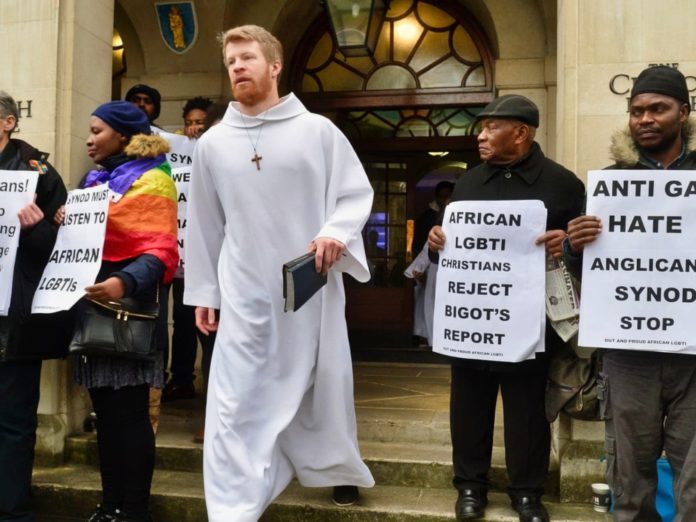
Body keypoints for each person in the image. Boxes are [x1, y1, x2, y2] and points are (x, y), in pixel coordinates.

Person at [183, 25, 375, 521]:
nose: (237, 67)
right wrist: (205, 291)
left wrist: (335, 231)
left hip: (309, 288)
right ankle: (231, 508)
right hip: (243, 290)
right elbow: (204, 223)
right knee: (232, 401)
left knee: (318, 383)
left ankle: (332, 468)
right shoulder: (213, 143)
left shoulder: (318, 132)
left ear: (274, 66)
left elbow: (355, 194)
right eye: (230, 62)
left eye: (246, 58)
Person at [428, 95, 585, 522]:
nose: (479, 135)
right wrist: (436, 243)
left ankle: (527, 493)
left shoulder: (563, 184)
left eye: (489, 128)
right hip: (475, 320)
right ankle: (470, 488)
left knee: (528, 413)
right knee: (468, 407)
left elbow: (591, 253)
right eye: (480, 128)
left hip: (530, 324)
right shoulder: (467, 183)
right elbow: (455, 248)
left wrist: (567, 244)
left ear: (521, 132)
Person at [564, 66, 696, 522]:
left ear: (683, 111)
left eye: (657, 108)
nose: (645, 119)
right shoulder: (609, 184)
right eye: (637, 110)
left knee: (693, 482)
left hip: (692, 355)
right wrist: (572, 245)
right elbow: (592, 271)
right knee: (630, 478)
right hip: (628, 354)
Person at [70, 100, 178, 522]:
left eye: (97, 131)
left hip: (128, 312)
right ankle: (109, 506)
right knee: (106, 418)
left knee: (130, 417)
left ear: (122, 135)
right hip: (92, 309)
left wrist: (123, 282)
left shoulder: (155, 179)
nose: (88, 139)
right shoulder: (93, 179)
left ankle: (133, 511)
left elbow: (161, 249)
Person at [0, 90, 67, 522]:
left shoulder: (38, 173)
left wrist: (36, 229)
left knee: (13, 422)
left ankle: (11, 510)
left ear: (8, 122)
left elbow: (63, 247)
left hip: (15, 317)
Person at [413, 180, 454, 255]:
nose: (445, 200)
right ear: (437, 198)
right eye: (442, 197)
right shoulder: (425, 218)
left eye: (448, 197)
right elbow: (417, 245)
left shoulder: (458, 217)